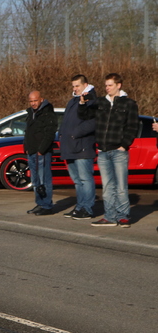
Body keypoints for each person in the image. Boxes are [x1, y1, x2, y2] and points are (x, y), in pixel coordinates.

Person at [78, 73, 138, 228]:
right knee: (107, 186)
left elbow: (133, 127)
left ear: (119, 85)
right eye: (106, 85)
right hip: (103, 151)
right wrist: (82, 103)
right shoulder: (101, 103)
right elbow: (84, 115)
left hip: (119, 151)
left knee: (121, 186)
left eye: (110, 85)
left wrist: (124, 145)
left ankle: (123, 216)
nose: (107, 88)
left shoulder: (129, 104)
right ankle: (110, 217)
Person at [58, 74, 97, 220]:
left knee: (85, 179)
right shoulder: (72, 101)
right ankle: (80, 206)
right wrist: (61, 134)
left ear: (85, 84)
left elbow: (93, 122)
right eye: (73, 86)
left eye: (77, 86)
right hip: (69, 146)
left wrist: (75, 134)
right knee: (77, 180)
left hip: (82, 146)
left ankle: (87, 208)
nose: (75, 89)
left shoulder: (91, 99)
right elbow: (66, 121)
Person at [24, 91, 57, 215]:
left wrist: (41, 150)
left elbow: (50, 133)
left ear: (41, 99)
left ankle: (47, 205)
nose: (33, 103)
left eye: (35, 101)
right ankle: (40, 203)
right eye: (31, 101)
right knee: (35, 180)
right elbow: (28, 132)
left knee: (44, 179)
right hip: (31, 151)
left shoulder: (48, 113)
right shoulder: (31, 113)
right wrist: (26, 147)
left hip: (42, 152)